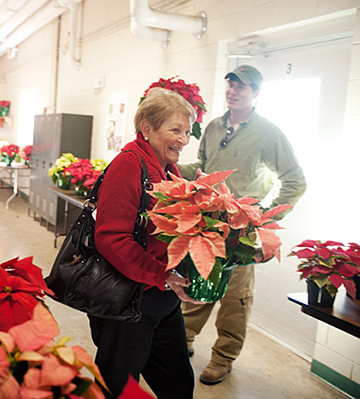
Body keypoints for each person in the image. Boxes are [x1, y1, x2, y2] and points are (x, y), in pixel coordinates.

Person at [178, 65, 307, 385]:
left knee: (235, 298)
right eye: (230, 84)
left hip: (241, 231)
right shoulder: (213, 127)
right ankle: (185, 341)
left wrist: (264, 220)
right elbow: (204, 167)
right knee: (196, 286)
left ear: (256, 93)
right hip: (207, 224)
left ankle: (223, 357)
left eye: (242, 87)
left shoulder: (270, 133)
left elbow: (295, 181)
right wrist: (169, 165)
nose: (233, 90)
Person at [90, 88, 199, 399]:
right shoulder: (129, 164)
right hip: (129, 300)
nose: (183, 139)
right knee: (118, 388)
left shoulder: (169, 170)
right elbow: (111, 238)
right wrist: (161, 275)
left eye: (187, 132)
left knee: (177, 383)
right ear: (147, 128)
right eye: (175, 130)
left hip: (163, 299)